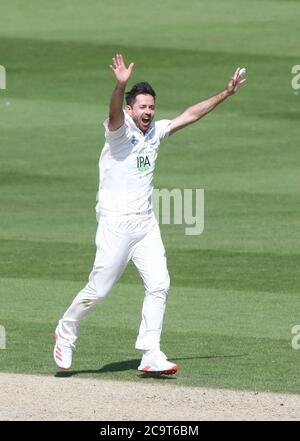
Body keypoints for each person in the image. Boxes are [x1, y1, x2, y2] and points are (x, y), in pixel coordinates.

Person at [53, 54, 246, 374]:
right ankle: (67, 329)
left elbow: (190, 114)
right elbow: (113, 111)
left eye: (151, 107)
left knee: (159, 284)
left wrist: (225, 93)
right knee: (99, 290)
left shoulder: (155, 132)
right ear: (131, 109)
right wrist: (120, 85)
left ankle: (150, 351)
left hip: (145, 224)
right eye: (142, 107)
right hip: (116, 223)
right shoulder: (118, 131)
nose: (148, 112)